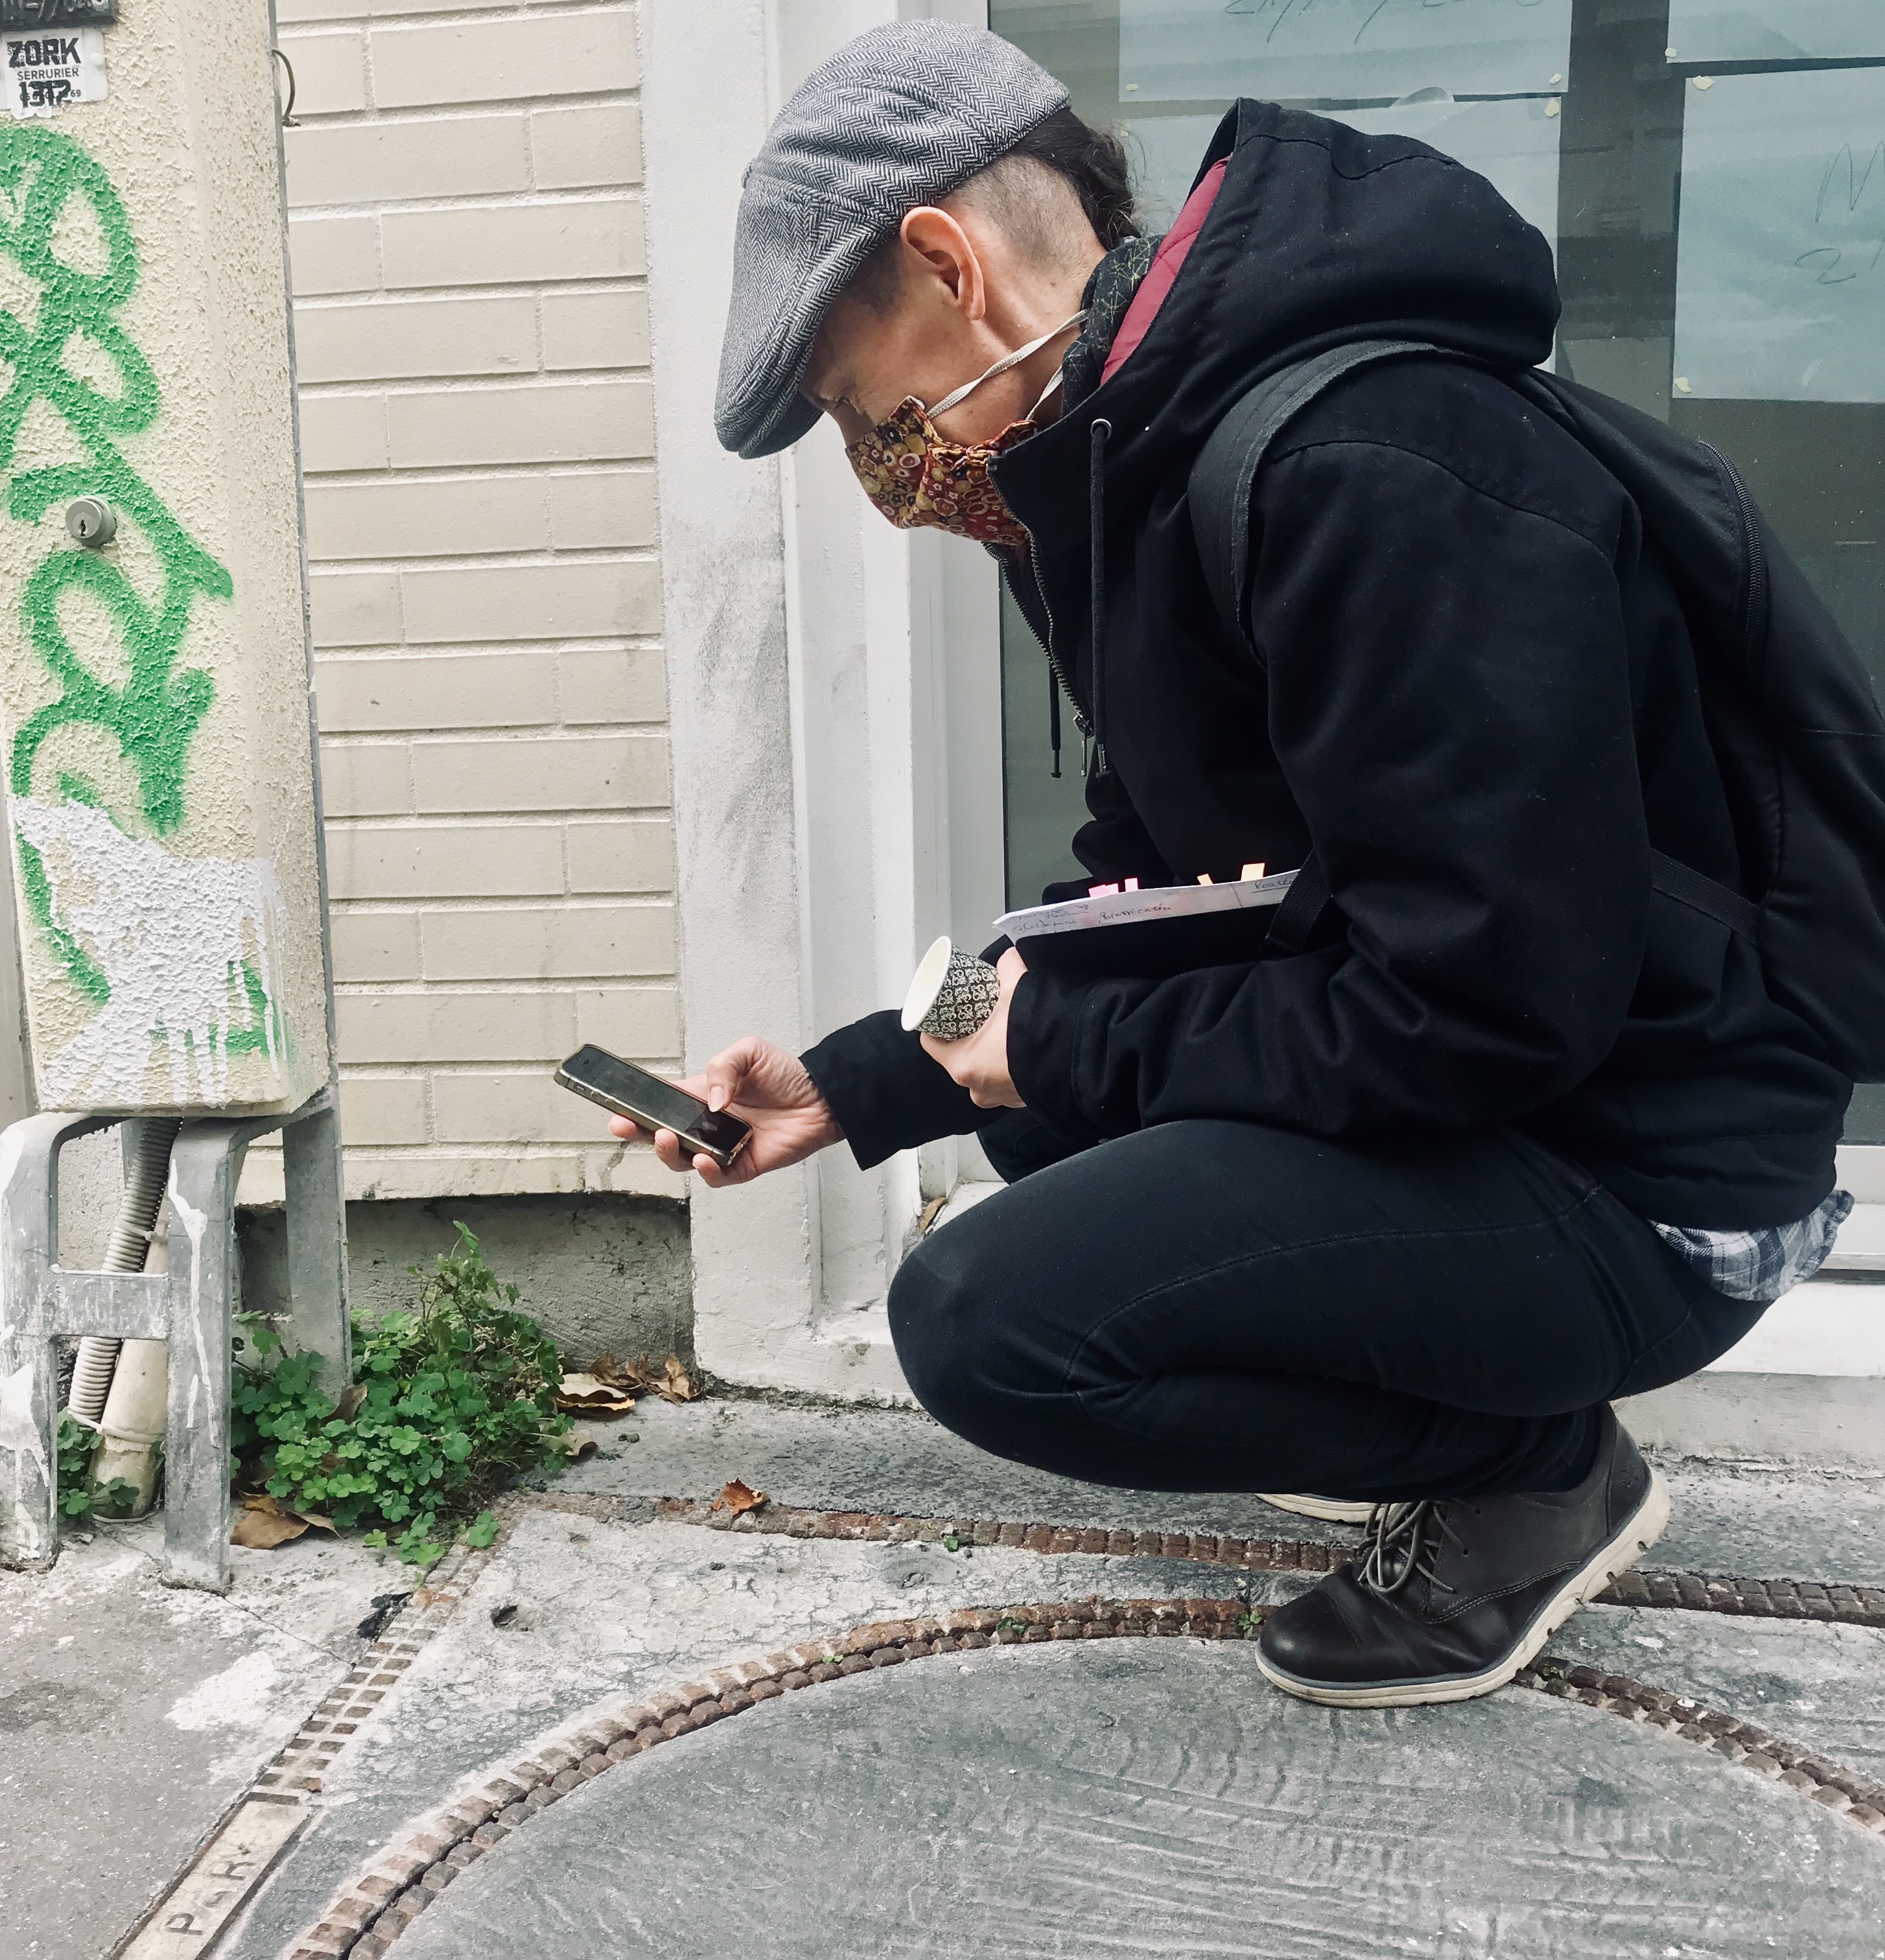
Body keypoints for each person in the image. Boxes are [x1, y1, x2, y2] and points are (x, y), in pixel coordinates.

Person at [609, 22, 1854, 1708]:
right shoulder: (1142, 466)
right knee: (1045, 1114)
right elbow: (1160, 878)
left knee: (994, 1324)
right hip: (1533, 1102)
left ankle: (1526, 1473)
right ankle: (1480, 1419)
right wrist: (864, 1081)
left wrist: (1042, 1045)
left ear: (946, 264)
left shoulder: (1379, 469)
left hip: (1652, 1178)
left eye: (855, 396)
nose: (883, 452)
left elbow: (1473, 1008)